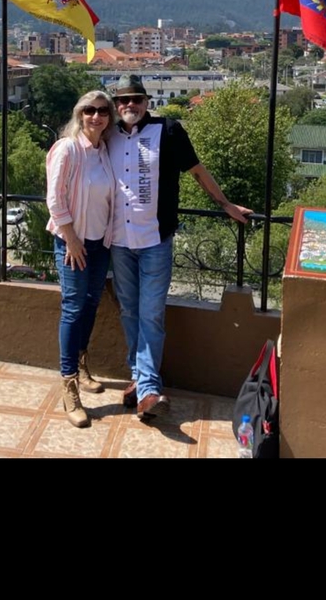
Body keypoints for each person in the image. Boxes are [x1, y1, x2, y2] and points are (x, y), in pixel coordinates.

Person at [108, 74, 253, 421]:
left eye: (136, 100)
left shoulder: (169, 131)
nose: (130, 105)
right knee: (129, 312)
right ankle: (141, 380)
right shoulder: (107, 136)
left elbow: (197, 171)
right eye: (124, 100)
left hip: (155, 239)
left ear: (147, 103)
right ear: (117, 106)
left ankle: (148, 389)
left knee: (152, 314)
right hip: (117, 241)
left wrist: (226, 205)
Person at [46, 90, 117, 428]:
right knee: (74, 307)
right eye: (89, 110)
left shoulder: (105, 151)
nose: (96, 116)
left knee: (90, 305)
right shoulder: (68, 148)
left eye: (102, 111)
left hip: (99, 243)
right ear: (79, 114)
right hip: (71, 242)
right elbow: (54, 197)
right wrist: (71, 238)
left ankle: (81, 362)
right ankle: (69, 384)